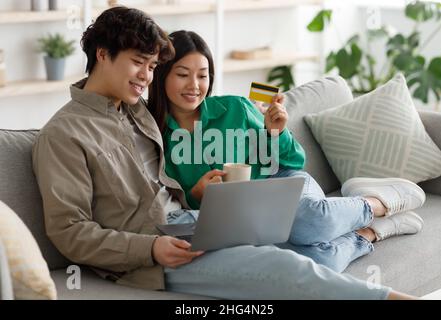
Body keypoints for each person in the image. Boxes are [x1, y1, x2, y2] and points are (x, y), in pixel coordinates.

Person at [32, 6, 414, 300]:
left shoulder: (136, 112)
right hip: (153, 252)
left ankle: (372, 218)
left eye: (151, 66)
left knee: (311, 244)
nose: (147, 77)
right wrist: (150, 248)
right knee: (285, 267)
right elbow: (69, 232)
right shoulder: (63, 134)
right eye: (138, 62)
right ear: (102, 54)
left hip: (188, 222)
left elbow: (166, 183)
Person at [149, 30, 426, 274]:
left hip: (284, 183)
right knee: (315, 262)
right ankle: (369, 234)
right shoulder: (154, 135)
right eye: (183, 75)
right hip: (244, 220)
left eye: (203, 75)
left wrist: (275, 132)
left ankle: (377, 203)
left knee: (310, 219)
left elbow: (295, 161)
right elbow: (175, 209)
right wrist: (194, 196)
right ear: (161, 75)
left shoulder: (235, 108)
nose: (194, 86)